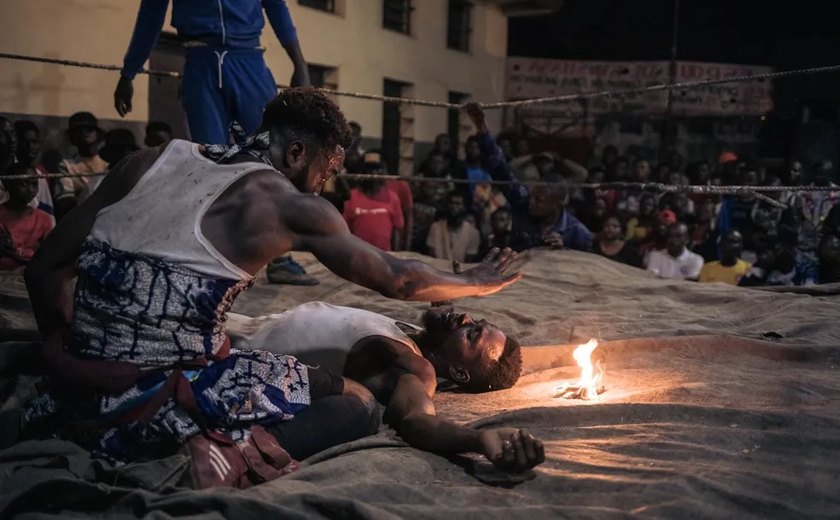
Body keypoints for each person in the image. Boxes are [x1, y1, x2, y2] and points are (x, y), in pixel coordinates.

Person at [23, 88, 522, 466]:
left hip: (77, 373)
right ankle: (220, 460)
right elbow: (401, 279)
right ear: (297, 154)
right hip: (156, 389)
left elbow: (45, 266)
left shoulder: (151, 159)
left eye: (474, 331)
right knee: (360, 408)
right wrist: (477, 279)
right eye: (326, 173)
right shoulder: (288, 204)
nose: (323, 188)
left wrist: (63, 347)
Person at [226, 302, 544, 473]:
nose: (464, 319)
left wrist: (477, 439)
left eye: (471, 335)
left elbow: (417, 420)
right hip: (226, 326)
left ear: (459, 372)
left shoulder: (414, 366)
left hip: (224, 360)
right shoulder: (417, 332)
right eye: (476, 323)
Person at [461, 105, 591, 252]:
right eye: (533, 195)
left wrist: (565, 252)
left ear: (558, 204)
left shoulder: (577, 233)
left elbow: (589, 269)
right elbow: (500, 169)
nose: (531, 201)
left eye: (539, 200)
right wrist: (481, 125)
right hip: (515, 272)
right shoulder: (523, 202)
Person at [342, 150, 405, 252]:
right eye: (368, 169)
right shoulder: (350, 196)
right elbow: (343, 231)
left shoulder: (393, 198)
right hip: (357, 255)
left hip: (384, 257)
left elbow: (397, 230)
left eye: (377, 169)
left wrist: (396, 256)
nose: (373, 173)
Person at [54, 112, 109, 218]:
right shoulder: (66, 166)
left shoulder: (108, 163)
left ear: (97, 133)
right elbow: (65, 201)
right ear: (72, 136)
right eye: (79, 130)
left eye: (89, 129)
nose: (84, 133)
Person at [0, 165, 54, 270]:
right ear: (7, 184)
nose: (30, 190)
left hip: (32, 274)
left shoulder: (44, 219)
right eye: (24, 184)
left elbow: (50, 251)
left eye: (34, 184)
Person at [0, 120, 54, 221]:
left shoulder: (34, 174)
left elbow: (47, 216)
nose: (11, 140)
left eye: (12, 134)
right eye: (3, 135)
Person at [426, 192, 481, 263]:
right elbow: (431, 257)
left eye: (457, 204)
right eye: (451, 203)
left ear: (464, 207)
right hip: (437, 270)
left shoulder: (473, 233)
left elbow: (468, 262)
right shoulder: (435, 227)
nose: (453, 206)